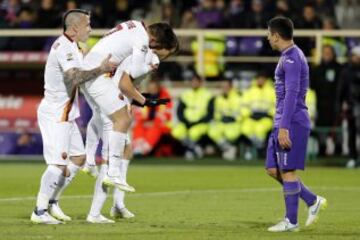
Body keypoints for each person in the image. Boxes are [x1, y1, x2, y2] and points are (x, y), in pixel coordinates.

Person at [31, 9, 117, 225]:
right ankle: (39, 211)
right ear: (75, 28)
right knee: (58, 164)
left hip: (67, 114)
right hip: (55, 114)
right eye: (88, 25)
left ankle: (52, 202)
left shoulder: (75, 47)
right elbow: (75, 77)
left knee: (78, 159)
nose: (90, 29)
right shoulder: (64, 48)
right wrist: (101, 69)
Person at [81, 21, 178, 191]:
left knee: (99, 116)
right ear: (154, 40)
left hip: (89, 70)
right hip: (98, 74)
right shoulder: (142, 40)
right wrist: (150, 66)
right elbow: (135, 71)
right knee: (123, 120)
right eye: (163, 49)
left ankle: (89, 161)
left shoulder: (134, 24)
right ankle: (113, 173)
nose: (164, 55)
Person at [83, 50, 162, 223]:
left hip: (110, 103)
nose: (153, 69)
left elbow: (123, 86)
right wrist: (144, 100)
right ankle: (94, 212)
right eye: (153, 66)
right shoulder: (138, 62)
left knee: (126, 150)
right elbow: (123, 85)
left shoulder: (128, 61)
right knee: (109, 159)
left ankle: (118, 204)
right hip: (111, 107)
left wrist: (139, 98)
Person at [265, 16, 327, 232]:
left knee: (288, 172)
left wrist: (284, 127)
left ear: (276, 35)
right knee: (273, 169)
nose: (267, 38)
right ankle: (312, 200)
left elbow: (291, 93)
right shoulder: (289, 56)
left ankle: (291, 222)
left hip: (291, 121)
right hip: (281, 119)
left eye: (268, 34)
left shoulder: (292, 58)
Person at [171, 73, 214, 160]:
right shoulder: (185, 94)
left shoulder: (207, 95)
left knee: (193, 133)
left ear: (200, 82)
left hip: (201, 123)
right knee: (176, 132)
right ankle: (195, 149)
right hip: (186, 122)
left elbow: (210, 114)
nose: (194, 83)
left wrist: (198, 122)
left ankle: (190, 151)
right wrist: (185, 121)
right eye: (193, 81)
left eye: (196, 81)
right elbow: (179, 111)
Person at [132, 78, 173, 156]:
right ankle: (137, 146)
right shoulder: (146, 97)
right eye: (150, 88)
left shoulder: (165, 97)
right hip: (147, 122)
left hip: (163, 124)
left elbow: (165, 114)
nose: (152, 91)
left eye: (154, 88)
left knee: (155, 127)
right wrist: (144, 121)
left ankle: (145, 147)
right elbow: (139, 112)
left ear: (158, 87)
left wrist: (153, 122)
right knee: (138, 125)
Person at [337, 46, 360, 168]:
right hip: (351, 106)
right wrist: (341, 106)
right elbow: (341, 91)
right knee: (352, 133)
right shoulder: (346, 71)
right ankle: (352, 157)